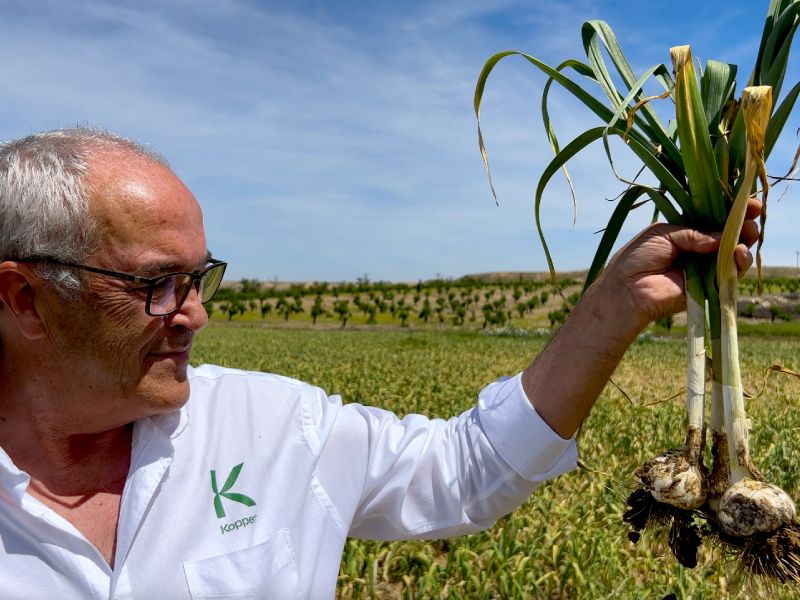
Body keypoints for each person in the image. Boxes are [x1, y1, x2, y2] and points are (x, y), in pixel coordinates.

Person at [0, 128, 758, 599]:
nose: (195, 313)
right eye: (156, 284)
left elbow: (467, 470)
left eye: (200, 279)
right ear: (27, 299)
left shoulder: (274, 427)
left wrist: (619, 301)